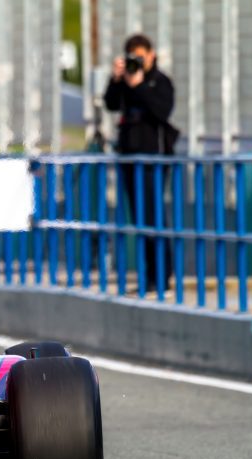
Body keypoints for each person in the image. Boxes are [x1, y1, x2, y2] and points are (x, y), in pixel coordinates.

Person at [104, 33, 177, 292]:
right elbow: (111, 103)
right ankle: (149, 277)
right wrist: (116, 78)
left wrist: (139, 85)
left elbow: (162, 111)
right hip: (130, 158)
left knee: (155, 218)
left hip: (153, 160)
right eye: (132, 57)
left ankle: (162, 277)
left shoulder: (159, 81)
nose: (137, 62)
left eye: (141, 57)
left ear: (151, 55)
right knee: (141, 221)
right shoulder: (126, 81)